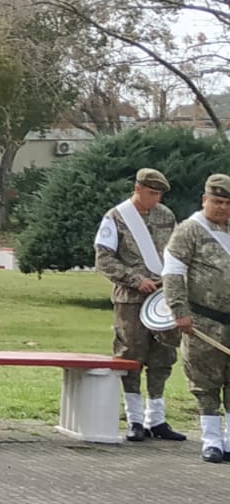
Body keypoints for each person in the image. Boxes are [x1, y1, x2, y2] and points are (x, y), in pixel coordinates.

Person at [96, 168, 184, 441]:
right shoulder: (116, 217)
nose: (156, 199)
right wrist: (135, 279)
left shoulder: (166, 216)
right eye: (152, 193)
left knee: (163, 357)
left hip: (162, 298)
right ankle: (134, 419)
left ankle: (156, 418)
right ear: (138, 189)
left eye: (159, 194)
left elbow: (177, 252)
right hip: (130, 299)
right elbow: (104, 259)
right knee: (130, 356)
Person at [161, 173, 230, 463]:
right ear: (205, 200)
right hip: (203, 321)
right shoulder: (189, 230)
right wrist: (179, 311)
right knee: (205, 383)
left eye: (228, 203)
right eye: (217, 201)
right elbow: (173, 272)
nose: (223, 208)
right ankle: (211, 441)